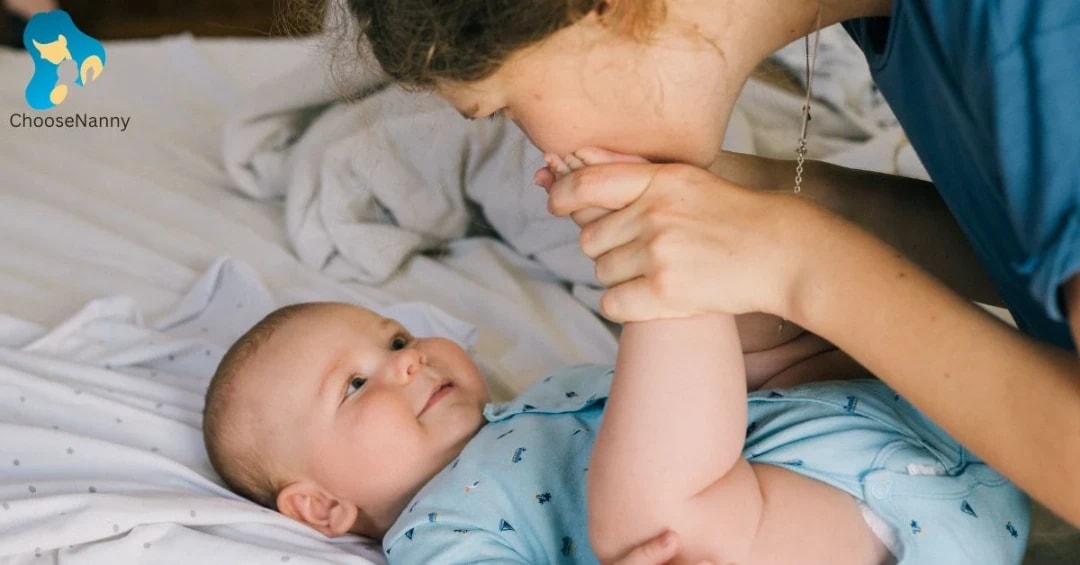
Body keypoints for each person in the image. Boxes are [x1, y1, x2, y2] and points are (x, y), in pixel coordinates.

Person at [320, 0, 1080, 527]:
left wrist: (802, 264)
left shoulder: (1034, 33)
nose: (541, 152)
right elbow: (1027, 244)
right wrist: (768, 207)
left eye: (508, 108)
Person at [202, 297, 1028, 564]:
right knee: (656, 515)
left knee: (741, 336)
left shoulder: (544, 395)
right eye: (355, 384)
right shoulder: (437, 530)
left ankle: (725, 271)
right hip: (838, 534)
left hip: (933, 444)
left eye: (393, 340)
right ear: (320, 508)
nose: (408, 361)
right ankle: (678, 280)